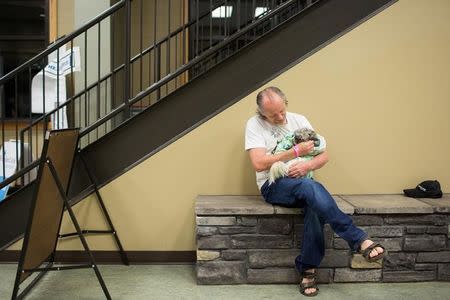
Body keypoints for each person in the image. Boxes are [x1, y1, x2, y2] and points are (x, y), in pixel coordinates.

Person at [244, 86, 385, 297]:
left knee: (314, 202)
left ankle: (307, 270)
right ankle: (358, 239)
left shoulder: (299, 120)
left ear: (285, 103)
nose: (281, 117)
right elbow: (258, 163)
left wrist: (307, 166)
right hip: (273, 185)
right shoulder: (254, 124)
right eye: (273, 115)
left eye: (282, 110)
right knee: (311, 188)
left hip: (304, 181)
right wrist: (294, 152)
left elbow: (323, 155)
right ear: (262, 113)